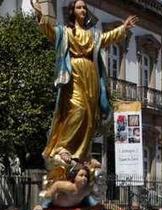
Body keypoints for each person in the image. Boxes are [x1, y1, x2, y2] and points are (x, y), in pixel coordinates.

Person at [33, 0, 137, 161]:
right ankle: (62, 147)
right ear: (72, 11)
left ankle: (81, 155)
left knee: (89, 116)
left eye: (84, 8)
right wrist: (40, 14)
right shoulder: (65, 32)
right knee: (77, 109)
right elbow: (49, 31)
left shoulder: (93, 35)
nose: (82, 10)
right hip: (73, 72)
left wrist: (123, 28)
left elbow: (107, 38)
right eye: (79, 7)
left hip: (91, 75)